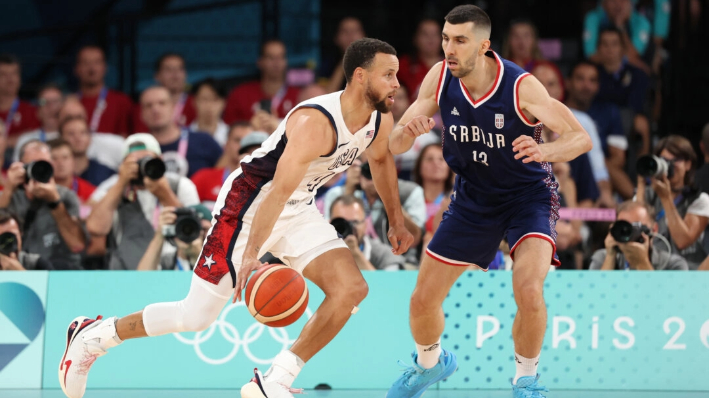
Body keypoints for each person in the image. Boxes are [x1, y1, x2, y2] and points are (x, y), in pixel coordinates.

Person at [59, 38, 413, 398]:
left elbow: (381, 161)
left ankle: (275, 380)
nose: (397, 84)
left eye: (397, 75)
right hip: (248, 205)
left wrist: (396, 220)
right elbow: (273, 193)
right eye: (388, 75)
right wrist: (251, 255)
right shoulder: (314, 122)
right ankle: (94, 336)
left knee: (352, 289)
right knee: (195, 317)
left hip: (299, 206)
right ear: (359, 76)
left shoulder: (379, 118)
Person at [386, 6, 592, 398]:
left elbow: (580, 138)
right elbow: (395, 143)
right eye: (446, 39)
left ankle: (526, 381)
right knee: (422, 300)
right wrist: (407, 132)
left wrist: (545, 150)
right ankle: (430, 364)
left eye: (459, 40)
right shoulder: (440, 76)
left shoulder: (521, 87)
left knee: (529, 290)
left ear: (484, 45)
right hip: (472, 200)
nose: (449, 48)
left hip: (526, 197)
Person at [85, 133, 200, 270]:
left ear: (160, 160)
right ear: (123, 165)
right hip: (127, 273)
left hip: (174, 270)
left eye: (147, 160)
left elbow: (195, 232)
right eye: (134, 162)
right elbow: (95, 228)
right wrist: (121, 183)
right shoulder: (112, 187)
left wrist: (164, 194)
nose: (141, 167)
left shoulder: (180, 185)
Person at [0, 140, 87, 270]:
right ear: (21, 167)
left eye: (44, 164)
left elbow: (77, 245)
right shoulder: (10, 197)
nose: (38, 170)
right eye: (32, 165)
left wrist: (55, 202)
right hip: (24, 271)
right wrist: (8, 189)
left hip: (62, 272)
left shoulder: (66, 197)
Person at [636, 135, 709, 270]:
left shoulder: (699, 200)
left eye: (675, 160)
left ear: (688, 164)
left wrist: (666, 198)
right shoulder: (648, 195)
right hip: (653, 269)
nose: (669, 166)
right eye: (663, 160)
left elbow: (682, 241)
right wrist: (641, 183)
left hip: (687, 274)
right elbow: (635, 225)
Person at [565, 60, 634, 200]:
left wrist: (595, 165)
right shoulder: (558, 112)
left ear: (598, 86)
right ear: (568, 83)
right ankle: (637, 200)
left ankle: (637, 204)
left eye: (592, 80)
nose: (586, 86)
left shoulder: (609, 112)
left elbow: (619, 159)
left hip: (603, 173)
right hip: (569, 168)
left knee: (601, 164)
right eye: (580, 79)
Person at [139, 86, 222, 178]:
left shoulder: (204, 141)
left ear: (173, 108)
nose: (155, 109)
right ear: (141, 113)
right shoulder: (137, 148)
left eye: (162, 103)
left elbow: (226, 173)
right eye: (148, 105)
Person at [589, 200, 688, 270]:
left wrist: (642, 263)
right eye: (624, 228)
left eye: (635, 227)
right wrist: (610, 257)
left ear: (654, 229)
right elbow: (596, 294)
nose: (629, 234)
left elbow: (664, 299)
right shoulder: (602, 257)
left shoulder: (673, 264)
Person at [223, 39, 300, 124]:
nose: (276, 63)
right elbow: (229, 130)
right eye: (271, 57)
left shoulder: (299, 96)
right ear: (260, 62)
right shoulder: (239, 95)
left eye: (281, 57)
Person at [191, 127, 264, 208]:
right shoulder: (203, 177)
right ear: (226, 145)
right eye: (237, 140)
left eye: (249, 141)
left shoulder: (266, 186)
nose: (242, 145)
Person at [330, 194, 406, 270]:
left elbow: (389, 281)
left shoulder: (384, 255)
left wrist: (355, 254)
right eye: (340, 223)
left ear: (365, 224)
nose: (348, 228)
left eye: (355, 222)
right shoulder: (319, 253)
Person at [75, 45, 134, 136]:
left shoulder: (122, 102)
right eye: (86, 63)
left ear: (105, 67)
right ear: (77, 69)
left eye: (97, 62)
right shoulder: (70, 104)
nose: (92, 69)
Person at [137, 204, 212, 271]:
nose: (200, 233)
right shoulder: (166, 261)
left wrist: (198, 256)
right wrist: (159, 234)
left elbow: (213, 283)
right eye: (188, 227)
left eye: (205, 229)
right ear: (177, 228)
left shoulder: (217, 262)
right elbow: (141, 280)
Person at [134, 53, 196, 133]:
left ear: (186, 74)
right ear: (157, 76)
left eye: (180, 69)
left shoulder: (196, 104)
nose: (175, 75)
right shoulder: (144, 106)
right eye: (169, 69)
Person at [583, 0, 652, 71]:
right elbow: (592, 56)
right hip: (601, 70)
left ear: (631, 4)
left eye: (623, 1)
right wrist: (629, 60)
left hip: (630, 71)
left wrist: (620, 26)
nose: (618, 5)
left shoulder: (641, 22)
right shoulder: (593, 18)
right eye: (613, 1)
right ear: (603, 4)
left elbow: (632, 55)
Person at [595, 27, 650, 114]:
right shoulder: (591, 73)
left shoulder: (637, 75)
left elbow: (636, 106)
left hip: (626, 119)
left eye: (614, 44)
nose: (609, 49)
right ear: (598, 48)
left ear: (623, 48)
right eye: (605, 44)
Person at [391, 85, 440, 180]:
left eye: (400, 98)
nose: (395, 103)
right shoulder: (374, 131)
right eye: (391, 98)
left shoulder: (426, 131)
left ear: (409, 101)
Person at [412, 144, 453, 247]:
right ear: (419, 166)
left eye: (441, 159)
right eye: (429, 159)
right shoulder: (408, 198)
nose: (436, 163)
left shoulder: (456, 200)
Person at [59, 116, 115, 187]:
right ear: (61, 139)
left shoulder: (106, 174)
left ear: (90, 137)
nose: (78, 138)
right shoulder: (54, 175)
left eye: (83, 133)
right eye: (71, 133)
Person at [398, 19, 445, 103]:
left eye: (435, 34)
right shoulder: (403, 65)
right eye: (425, 34)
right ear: (415, 38)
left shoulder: (453, 66)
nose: (431, 39)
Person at [13, 84, 63, 162]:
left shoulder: (72, 136)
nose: (51, 107)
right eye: (44, 102)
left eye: (56, 101)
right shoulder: (26, 140)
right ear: (37, 111)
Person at [0, 54, 40, 147]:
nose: (10, 79)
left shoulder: (32, 111)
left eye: (14, 73)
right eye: (3, 74)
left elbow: (34, 139)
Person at [321, 17, 366, 93]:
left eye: (355, 31)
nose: (350, 36)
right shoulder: (328, 63)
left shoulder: (376, 60)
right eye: (345, 32)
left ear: (364, 37)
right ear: (336, 38)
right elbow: (327, 95)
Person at [48, 138, 95, 206]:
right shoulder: (38, 191)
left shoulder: (91, 193)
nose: (60, 163)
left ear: (73, 160)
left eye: (65, 157)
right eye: (53, 158)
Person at [189, 78, 229, 146]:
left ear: (224, 103)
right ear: (194, 102)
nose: (209, 105)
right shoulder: (185, 136)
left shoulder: (230, 136)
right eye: (204, 99)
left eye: (215, 100)